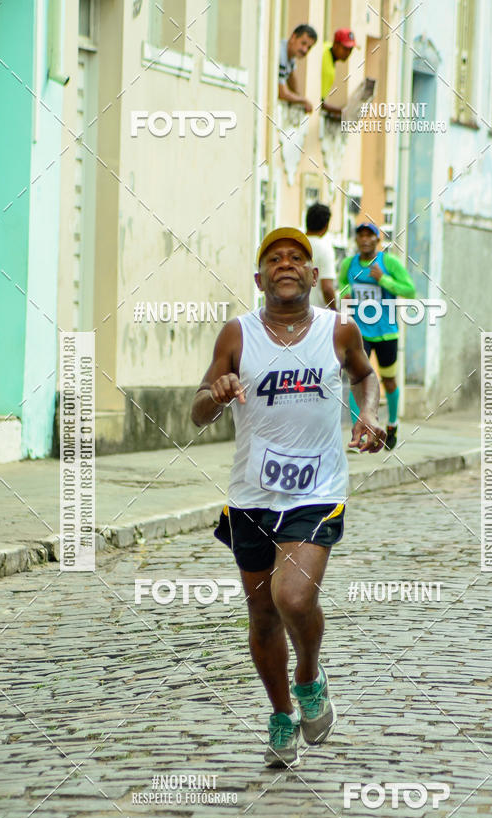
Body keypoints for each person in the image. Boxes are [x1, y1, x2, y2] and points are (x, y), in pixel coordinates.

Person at [191, 227, 385, 769]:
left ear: (311, 274)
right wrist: (216, 393)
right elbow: (199, 409)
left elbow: (366, 379)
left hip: (317, 491)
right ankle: (281, 715)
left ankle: (308, 677)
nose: (285, 263)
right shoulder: (237, 334)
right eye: (274, 258)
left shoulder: (338, 330)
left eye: (296, 257)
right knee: (260, 615)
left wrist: (370, 411)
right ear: (259, 279)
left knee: (293, 598)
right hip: (251, 496)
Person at [338, 222, 416, 450]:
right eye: (360, 236)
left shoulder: (389, 262)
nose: (364, 240)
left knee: (388, 380)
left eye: (369, 236)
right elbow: (342, 284)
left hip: (386, 332)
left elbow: (409, 290)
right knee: (356, 380)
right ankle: (358, 431)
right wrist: (345, 293)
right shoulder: (349, 264)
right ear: (356, 241)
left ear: (377, 240)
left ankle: (392, 423)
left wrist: (383, 279)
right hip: (359, 332)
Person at [278, 24, 318, 113]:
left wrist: (300, 99)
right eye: (303, 43)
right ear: (293, 37)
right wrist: (303, 101)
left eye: (309, 47)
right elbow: (282, 93)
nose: (305, 50)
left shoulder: (291, 57)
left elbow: (293, 85)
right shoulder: (281, 53)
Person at [305, 203, 337, 310]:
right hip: (317, 315)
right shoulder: (325, 249)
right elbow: (327, 288)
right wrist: (334, 311)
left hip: (291, 313)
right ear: (326, 225)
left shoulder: (295, 244)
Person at [321, 29, 356, 118]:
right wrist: (342, 112)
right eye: (345, 48)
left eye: (350, 49)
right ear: (335, 44)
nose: (348, 53)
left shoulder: (326, 47)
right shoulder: (326, 65)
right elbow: (319, 103)